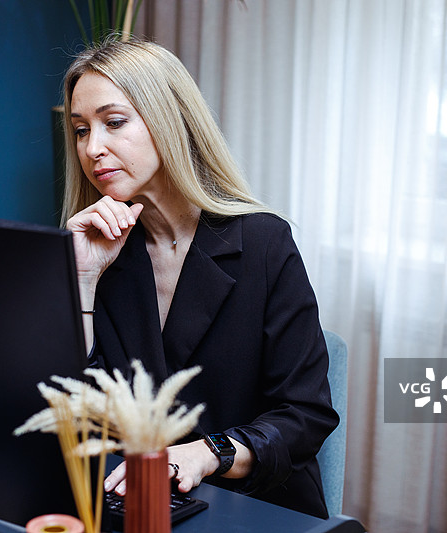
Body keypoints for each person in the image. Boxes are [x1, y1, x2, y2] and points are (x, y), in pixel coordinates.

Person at [60, 37, 339, 519]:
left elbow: (305, 414)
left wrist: (206, 453)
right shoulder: (104, 252)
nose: (93, 148)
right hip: (130, 507)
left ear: (171, 120)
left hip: (250, 507)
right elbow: (76, 415)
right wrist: (81, 279)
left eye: (114, 122)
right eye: (81, 130)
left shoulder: (263, 243)